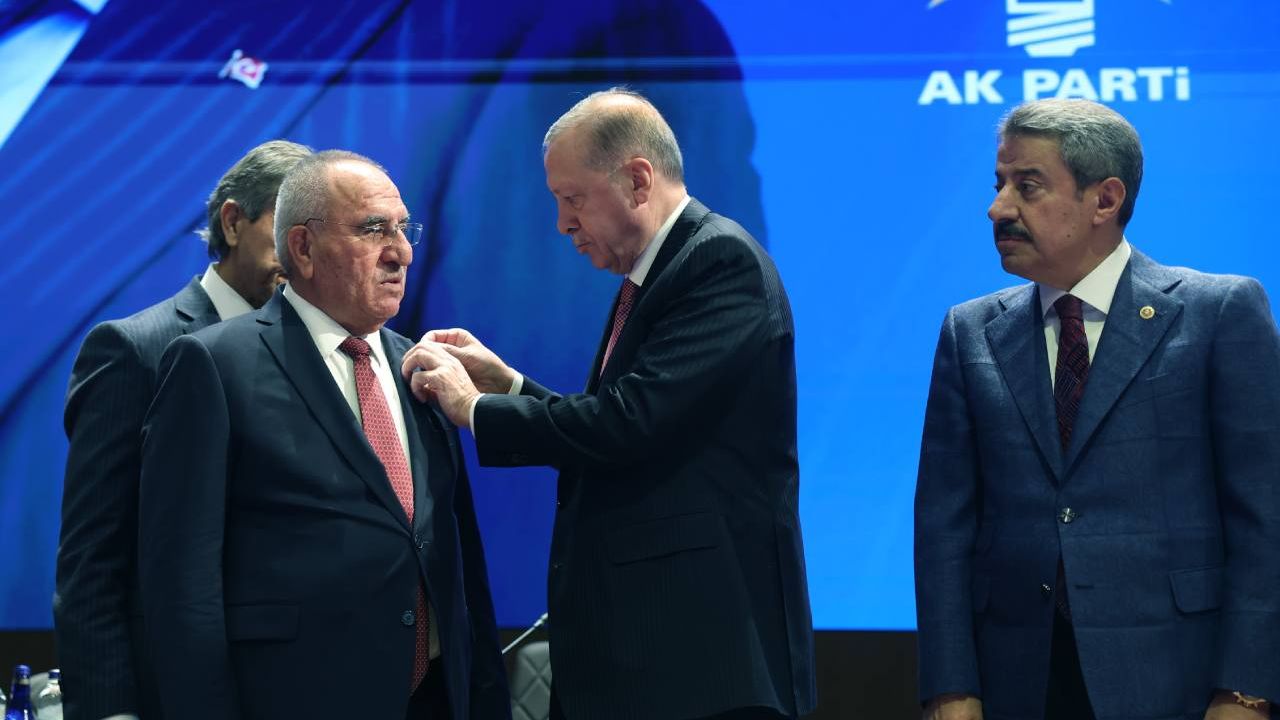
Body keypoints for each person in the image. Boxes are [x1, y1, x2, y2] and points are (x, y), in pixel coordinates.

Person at [401, 88, 816, 720]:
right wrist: (507, 385)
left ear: (637, 180)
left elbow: (627, 424)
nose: (562, 223)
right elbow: (626, 422)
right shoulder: (660, 272)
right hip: (649, 657)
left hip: (695, 662)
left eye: (572, 198)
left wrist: (471, 408)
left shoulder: (717, 262)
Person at [914, 98, 1280, 720]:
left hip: (1178, 678)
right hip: (1017, 683)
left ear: (1105, 200)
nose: (998, 208)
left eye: (1027, 186)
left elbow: (1264, 519)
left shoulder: (1218, 313)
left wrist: (1246, 690)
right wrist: (950, 688)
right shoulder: (970, 331)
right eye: (1000, 184)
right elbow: (944, 529)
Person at [136, 150, 509, 720]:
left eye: (404, 229)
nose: (402, 252)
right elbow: (182, 585)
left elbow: (460, 563)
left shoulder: (423, 367)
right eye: (374, 230)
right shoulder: (214, 364)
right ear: (304, 248)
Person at [55, 139, 311, 720]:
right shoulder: (136, 349)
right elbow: (92, 561)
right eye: (287, 229)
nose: (302, 255)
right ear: (233, 222)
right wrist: (109, 711)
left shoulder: (327, 354)